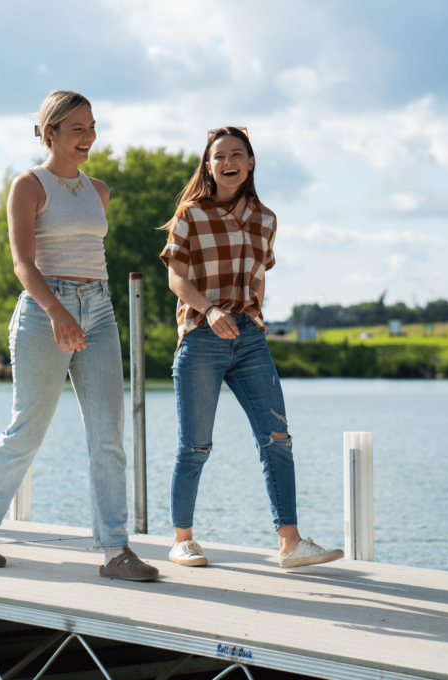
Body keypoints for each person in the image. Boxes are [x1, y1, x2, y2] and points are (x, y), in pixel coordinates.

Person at [0, 91, 159, 582]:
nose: (89, 136)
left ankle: (115, 549)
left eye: (93, 126)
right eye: (78, 127)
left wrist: (82, 308)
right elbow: (22, 263)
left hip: (98, 310)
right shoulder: (28, 186)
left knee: (108, 435)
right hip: (44, 313)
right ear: (49, 131)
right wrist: (57, 312)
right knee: (28, 429)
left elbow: (89, 255)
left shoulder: (99, 190)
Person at [159, 126, 343, 569]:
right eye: (219, 156)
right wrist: (209, 310)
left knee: (277, 438)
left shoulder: (266, 219)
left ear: (251, 162)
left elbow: (258, 275)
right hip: (203, 335)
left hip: (250, 339)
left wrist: (242, 317)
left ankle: (290, 543)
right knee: (195, 446)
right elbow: (175, 278)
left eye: (237, 154)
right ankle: (183, 539)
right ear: (208, 165)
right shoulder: (190, 214)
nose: (228, 162)